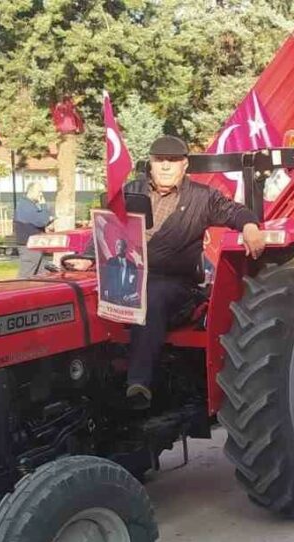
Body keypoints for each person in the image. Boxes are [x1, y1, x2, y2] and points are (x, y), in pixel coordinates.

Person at [112, 135, 266, 409]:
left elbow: (234, 212)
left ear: (184, 165)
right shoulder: (132, 191)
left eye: (172, 161)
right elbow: (109, 225)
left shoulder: (202, 197)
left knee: (152, 295)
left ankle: (138, 383)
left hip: (175, 284)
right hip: (128, 276)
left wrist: (250, 226)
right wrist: (86, 257)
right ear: (150, 164)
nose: (165, 166)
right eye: (159, 160)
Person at [15, 182, 52, 277]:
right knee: (26, 274)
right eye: (39, 191)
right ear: (31, 191)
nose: (41, 194)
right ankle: (19, 287)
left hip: (34, 243)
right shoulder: (26, 206)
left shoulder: (28, 205)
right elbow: (42, 221)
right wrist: (43, 205)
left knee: (43, 273)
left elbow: (39, 221)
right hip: (29, 245)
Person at [102, 239, 140, 305]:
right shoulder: (110, 262)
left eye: (119, 244)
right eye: (115, 245)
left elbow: (134, 283)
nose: (116, 247)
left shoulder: (132, 266)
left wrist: (129, 296)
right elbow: (105, 279)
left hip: (126, 300)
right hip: (112, 299)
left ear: (125, 249)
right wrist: (106, 291)